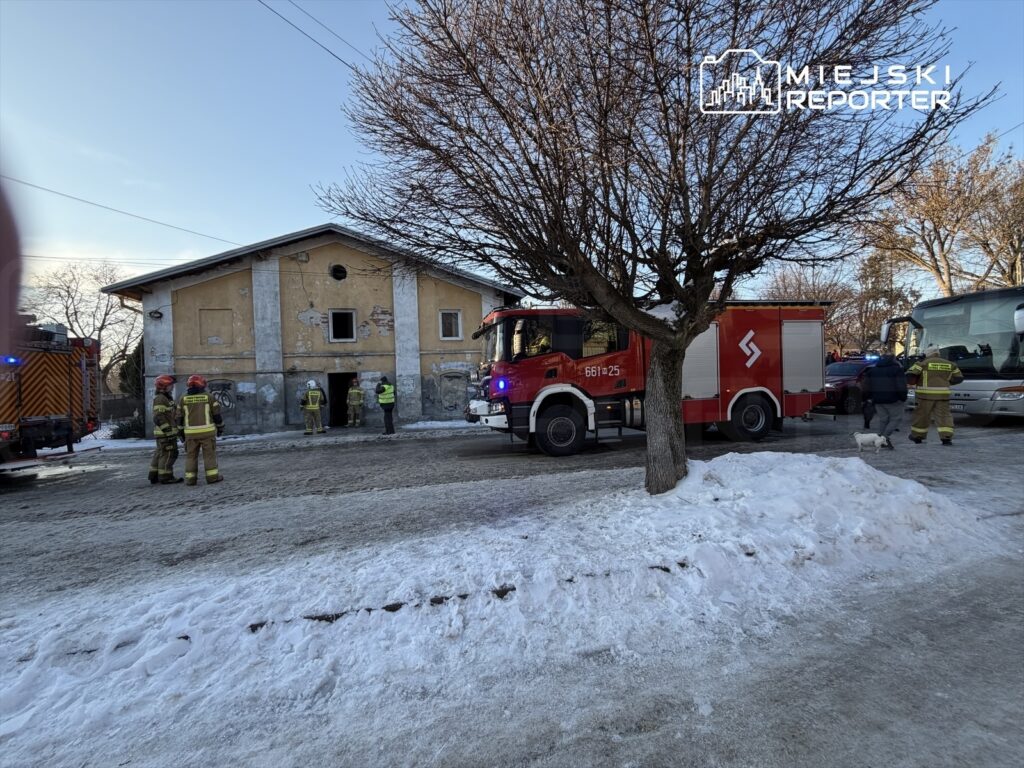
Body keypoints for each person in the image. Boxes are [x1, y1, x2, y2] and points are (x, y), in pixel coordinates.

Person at [906, 345, 963, 445]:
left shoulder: (922, 363)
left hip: (925, 396)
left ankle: (917, 436)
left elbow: (910, 375)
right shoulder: (950, 364)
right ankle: (946, 438)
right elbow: (959, 378)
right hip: (943, 395)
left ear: (928, 353)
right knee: (944, 416)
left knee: (922, 416)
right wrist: (946, 382)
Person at [177, 374, 224, 485]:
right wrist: (220, 427)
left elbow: (179, 417)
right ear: (202, 385)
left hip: (190, 434)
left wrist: (180, 432)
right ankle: (212, 478)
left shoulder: (183, 399)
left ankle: (190, 479)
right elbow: (217, 415)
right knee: (209, 455)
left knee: (191, 456)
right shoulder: (209, 397)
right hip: (207, 433)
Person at [860, 353, 908, 449]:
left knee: (883, 420)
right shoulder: (897, 370)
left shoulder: (873, 370)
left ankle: (882, 440)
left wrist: (867, 397)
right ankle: (883, 438)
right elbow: (901, 385)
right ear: (893, 360)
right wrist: (903, 397)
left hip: (877, 399)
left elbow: (865, 386)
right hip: (893, 399)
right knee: (896, 418)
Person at [148, 374, 182, 484]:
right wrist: (168, 431)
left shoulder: (166, 398)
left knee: (160, 453)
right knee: (169, 454)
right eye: (170, 385)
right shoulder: (161, 399)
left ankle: (154, 475)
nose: (172, 387)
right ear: (163, 387)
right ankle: (166, 476)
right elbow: (158, 417)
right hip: (165, 433)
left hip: (163, 433)